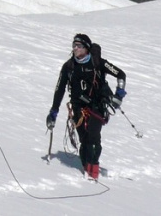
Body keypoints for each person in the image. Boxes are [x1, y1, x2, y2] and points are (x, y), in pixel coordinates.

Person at [45, 33, 126, 180]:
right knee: (84, 139)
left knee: (94, 138)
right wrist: (53, 112)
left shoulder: (98, 62)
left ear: (87, 48)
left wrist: (119, 94)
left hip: (97, 105)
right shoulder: (68, 66)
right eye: (74, 46)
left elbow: (120, 74)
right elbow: (59, 89)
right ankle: (86, 167)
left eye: (79, 46)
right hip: (77, 108)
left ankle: (93, 170)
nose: (75, 49)